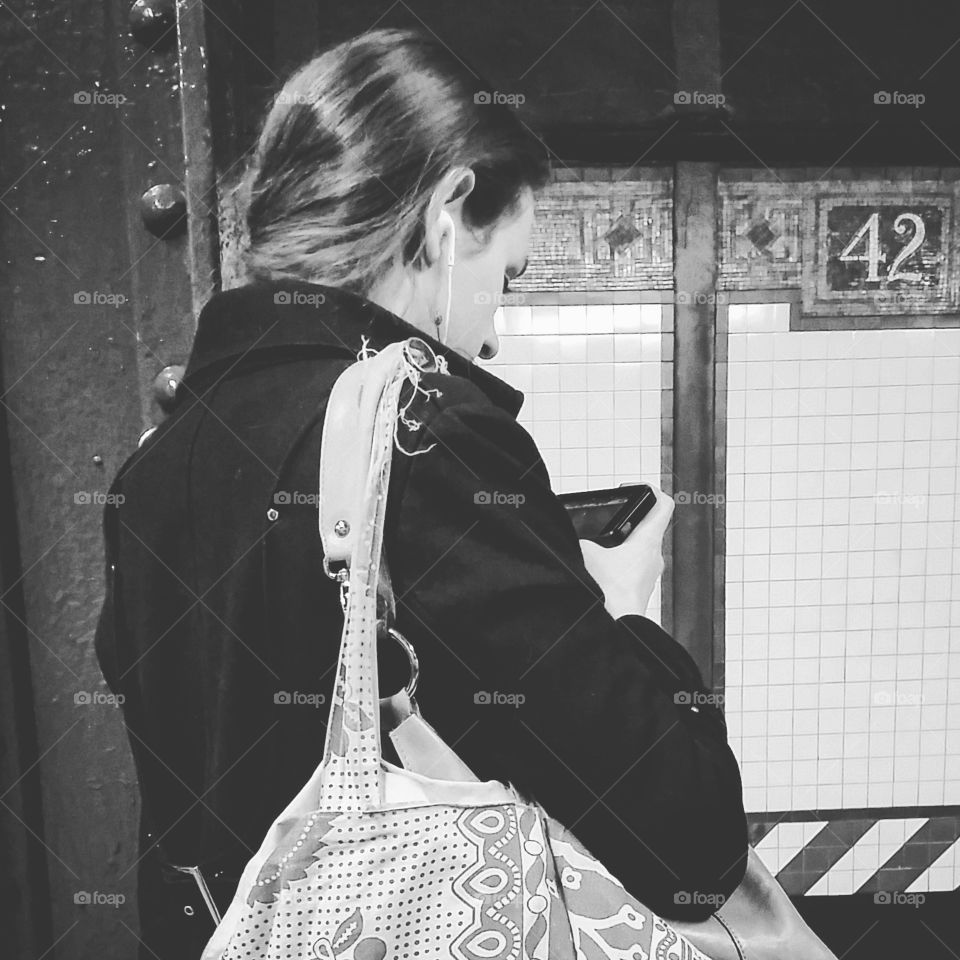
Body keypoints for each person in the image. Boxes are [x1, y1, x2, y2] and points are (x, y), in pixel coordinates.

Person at [94, 26, 747, 959]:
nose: (491, 339)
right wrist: (622, 616)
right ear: (446, 211)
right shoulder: (422, 432)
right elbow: (688, 840)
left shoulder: (156, 467)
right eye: (506, 276)